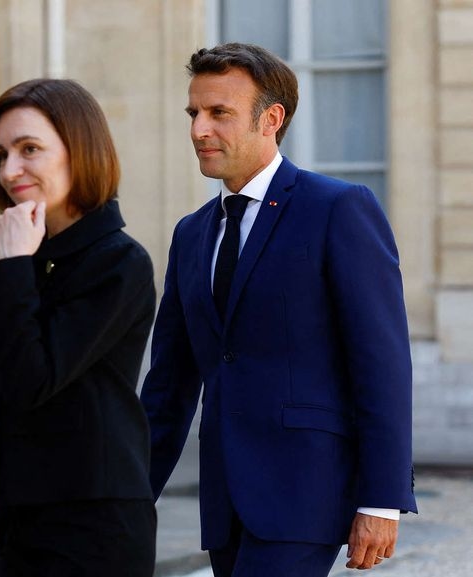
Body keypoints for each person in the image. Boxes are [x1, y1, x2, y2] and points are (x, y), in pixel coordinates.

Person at [140, 42, 417, 576]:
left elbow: (381, 363)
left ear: (271, 119)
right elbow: (168, 386)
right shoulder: (191, 233)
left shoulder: (337, 208)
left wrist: (382, 500)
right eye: (194, 113)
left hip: (307, 494)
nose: (199, 129)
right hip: (225, 501)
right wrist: (129, 494)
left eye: (219, 112)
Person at [0, 78, 157, 577]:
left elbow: (32, 379)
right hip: (24, 514)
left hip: (91, 524)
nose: (9, 170)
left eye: (29, 149)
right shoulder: (36, 258)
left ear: (80, 150)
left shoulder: (119, 262)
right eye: (1, 154)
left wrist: (12, 267)